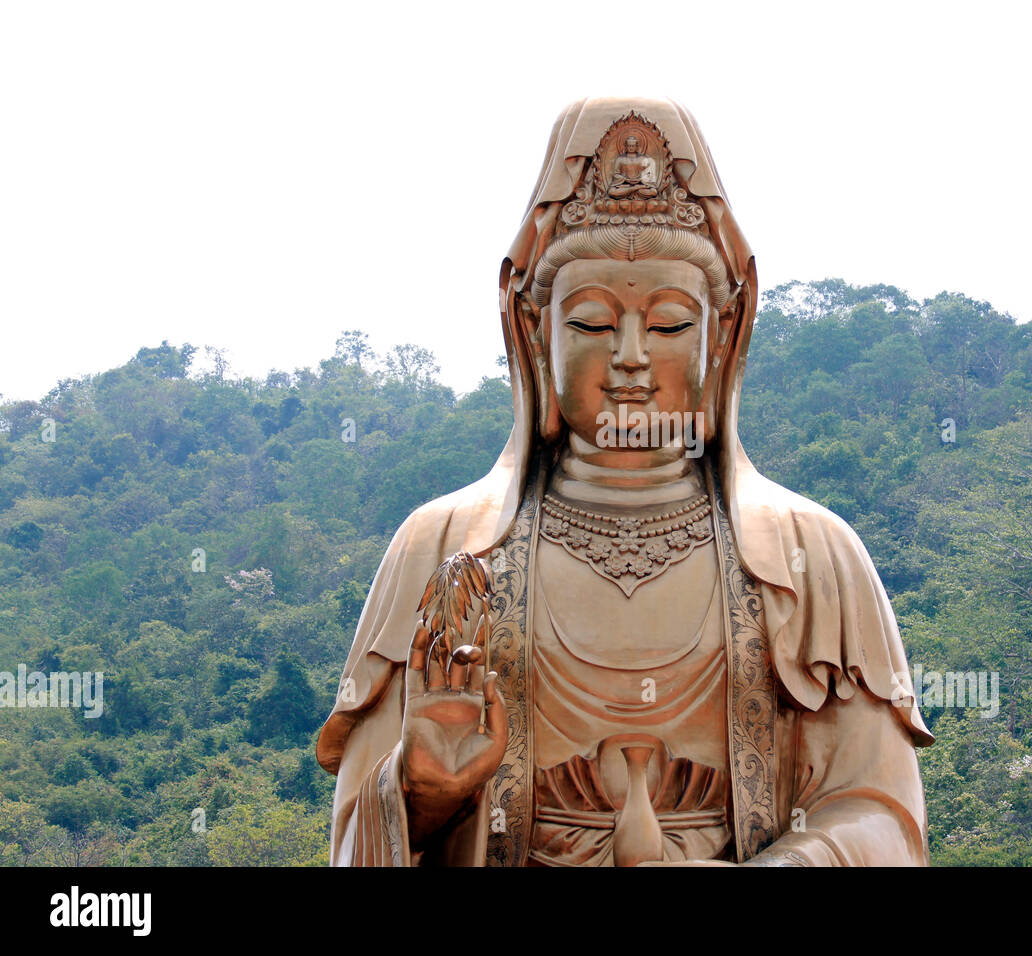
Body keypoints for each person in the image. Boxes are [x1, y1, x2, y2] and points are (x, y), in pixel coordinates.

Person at [316, 97, 933, 866]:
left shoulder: (811, 556)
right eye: (593, 323)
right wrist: (421, 790)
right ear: (537, 340)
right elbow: (354, 837)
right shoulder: (447, 550)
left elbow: (882, 816)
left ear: (722, 338)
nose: (633, 357)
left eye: (671, 324)